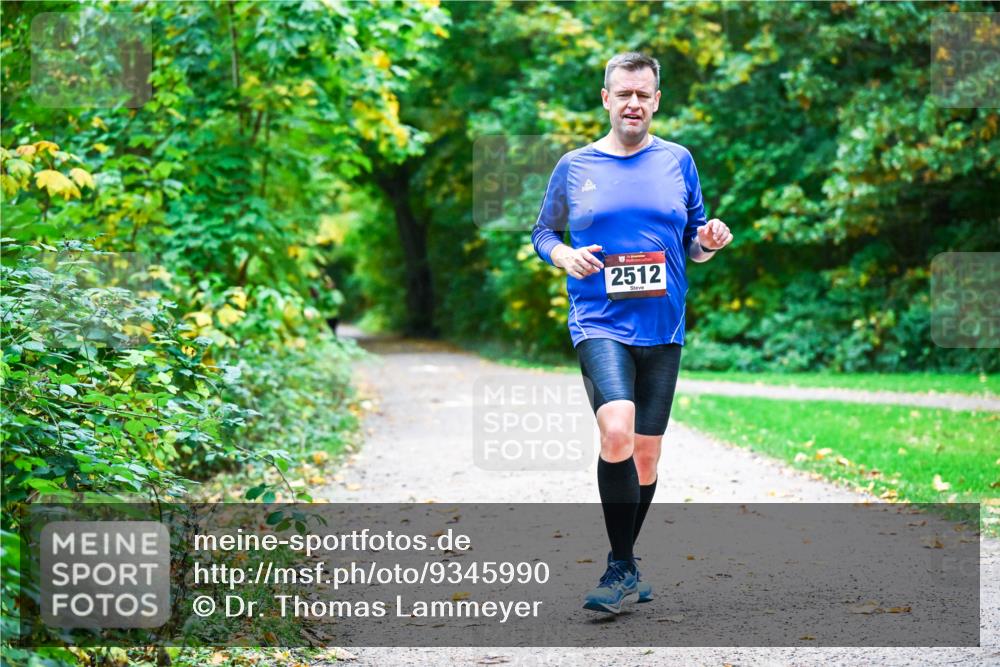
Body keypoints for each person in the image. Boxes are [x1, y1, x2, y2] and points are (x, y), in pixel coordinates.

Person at [530, 52, 733, 614]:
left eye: (643, 94)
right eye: (623, 94)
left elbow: (694, 238)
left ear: (656, 100)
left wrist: (709, 242)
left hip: (663, 327)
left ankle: (625, 561)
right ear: (606, 98)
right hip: (598, 320)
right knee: (615, 429)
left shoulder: (679, 161)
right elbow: (543, 232)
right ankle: (620, 569)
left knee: (645, 459)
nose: (633, 104)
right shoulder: (575, 165)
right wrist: (564, 254)